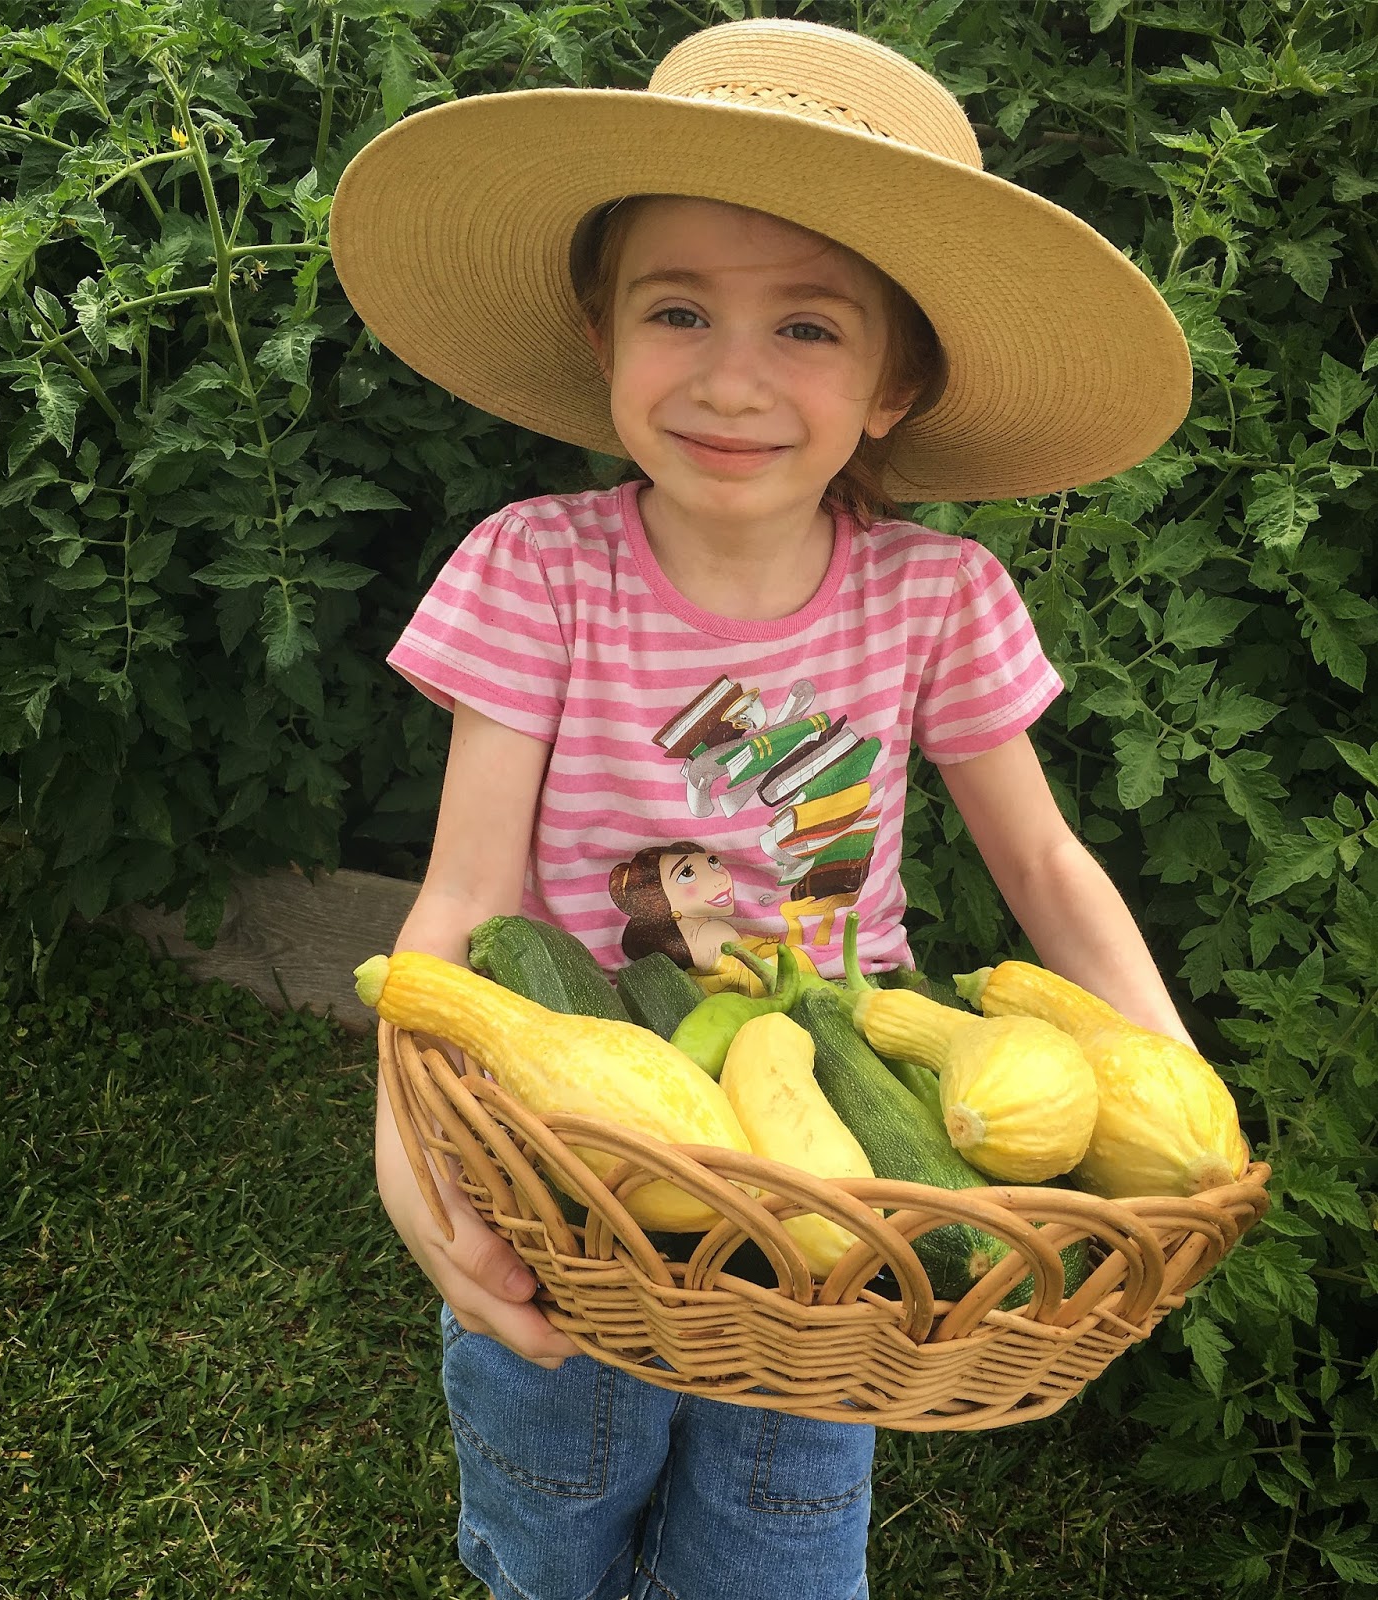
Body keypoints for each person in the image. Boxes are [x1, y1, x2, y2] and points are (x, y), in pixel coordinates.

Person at [329, 17, 1195, 1600]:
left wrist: (1173, 1100)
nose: (731, 378)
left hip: (836, 1181)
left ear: (895, 384)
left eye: (808, 327)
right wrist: (410, 1161)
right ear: (605, 336)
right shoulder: (538, 570)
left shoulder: (939, 598)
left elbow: (1051, 870)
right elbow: (457, 906)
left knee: (780, 1549)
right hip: (573, 1161)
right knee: (551, 1510)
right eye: (678, 311)